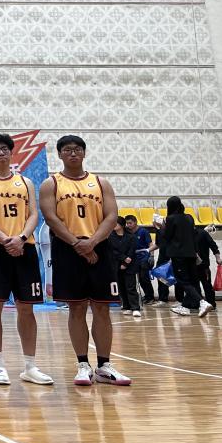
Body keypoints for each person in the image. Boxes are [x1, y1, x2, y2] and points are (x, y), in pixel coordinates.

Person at [39, 135, 132, 386]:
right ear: (60, 154)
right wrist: (77, 244)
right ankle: (82, 364)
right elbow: (51, 218)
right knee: (76, 307)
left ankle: (104, 365)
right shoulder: (51, 184)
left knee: (102, 308)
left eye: (77, 149)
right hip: (67, 248)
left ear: (84, 153)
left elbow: (111, 216)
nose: (73, 153)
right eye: (68, 150)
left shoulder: (101, 183)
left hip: (99, 248)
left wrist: (92, 242)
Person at [0, 134, 52, 385]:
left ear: (11, 152)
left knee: (26, 307)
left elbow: (33, 214)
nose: (1, 153)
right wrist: (6, 239)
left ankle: (30, 366)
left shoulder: (25, 182)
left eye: (5, 149)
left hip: (24, 248)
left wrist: (22, 237)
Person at [162, 197, 211, 317]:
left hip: (179, 255)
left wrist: (161, 227)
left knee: (183, 281)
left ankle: (202, 302)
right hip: (191, 254)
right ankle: (185, 307)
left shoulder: (170, 218)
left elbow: (167, 237)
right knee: (193, 281)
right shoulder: (189, 217)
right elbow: (193, 235)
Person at [107, 218, 142, 318]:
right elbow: (112, 251)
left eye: (116, 224)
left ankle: (135, 308)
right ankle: (126, 306)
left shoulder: (131, 237)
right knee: (121, 287)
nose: (114, 226)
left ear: (122, 225)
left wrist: (126, 262)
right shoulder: (110, 237)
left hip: (130, 265)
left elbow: (132, 250)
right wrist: (123, 258)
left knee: (131, 287)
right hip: (116, 264)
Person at [124, 215, 155, 304]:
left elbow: (150, 244)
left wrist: (152, 256)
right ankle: (146, 296)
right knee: (138, 280)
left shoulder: (143, 231)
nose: (128, 225)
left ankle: (150, 297)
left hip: (144, 257)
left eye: (130, 223)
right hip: (134, 258)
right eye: (127, 223)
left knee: (144, 278)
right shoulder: (127, 232)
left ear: (135, 222)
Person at [194, 226, 220, 311]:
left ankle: (211, 304)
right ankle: (199, 304)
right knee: (194, 286)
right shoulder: (186, 235)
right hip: (191, 266)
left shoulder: (203, 233)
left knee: (207, 285)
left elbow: (213, 245)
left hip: (203, 265)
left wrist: (218, 258)